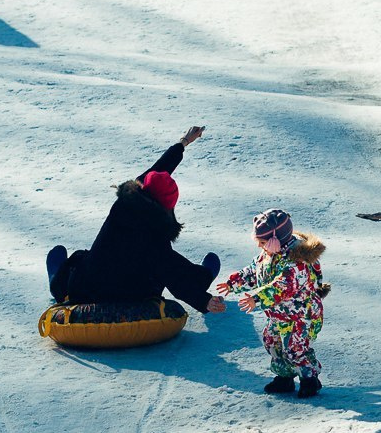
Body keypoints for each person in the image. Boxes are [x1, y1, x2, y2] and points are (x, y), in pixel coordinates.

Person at [46, 126, 226, 317]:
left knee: (80, 260)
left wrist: (184, 142)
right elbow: (174, 276)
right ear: (168, 206)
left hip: (87, 289)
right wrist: (203, 300)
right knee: (173, 268)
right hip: (134, 297)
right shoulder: (156, 238)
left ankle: (57, 281)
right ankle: (203, 275)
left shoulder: (124, 204)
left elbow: (157, 170)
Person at [216, 209, 329, 398]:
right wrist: (233, 283)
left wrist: (257, 298)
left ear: (276, 239)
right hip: (279, 315)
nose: (260, 247)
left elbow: (281, 287)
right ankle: (284, 377)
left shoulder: (297, 263)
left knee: (295, 348)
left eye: (262, 243)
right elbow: (253, 271)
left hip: (301, 316)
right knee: (272, 342)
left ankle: (310, 379)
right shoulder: (268, 254)